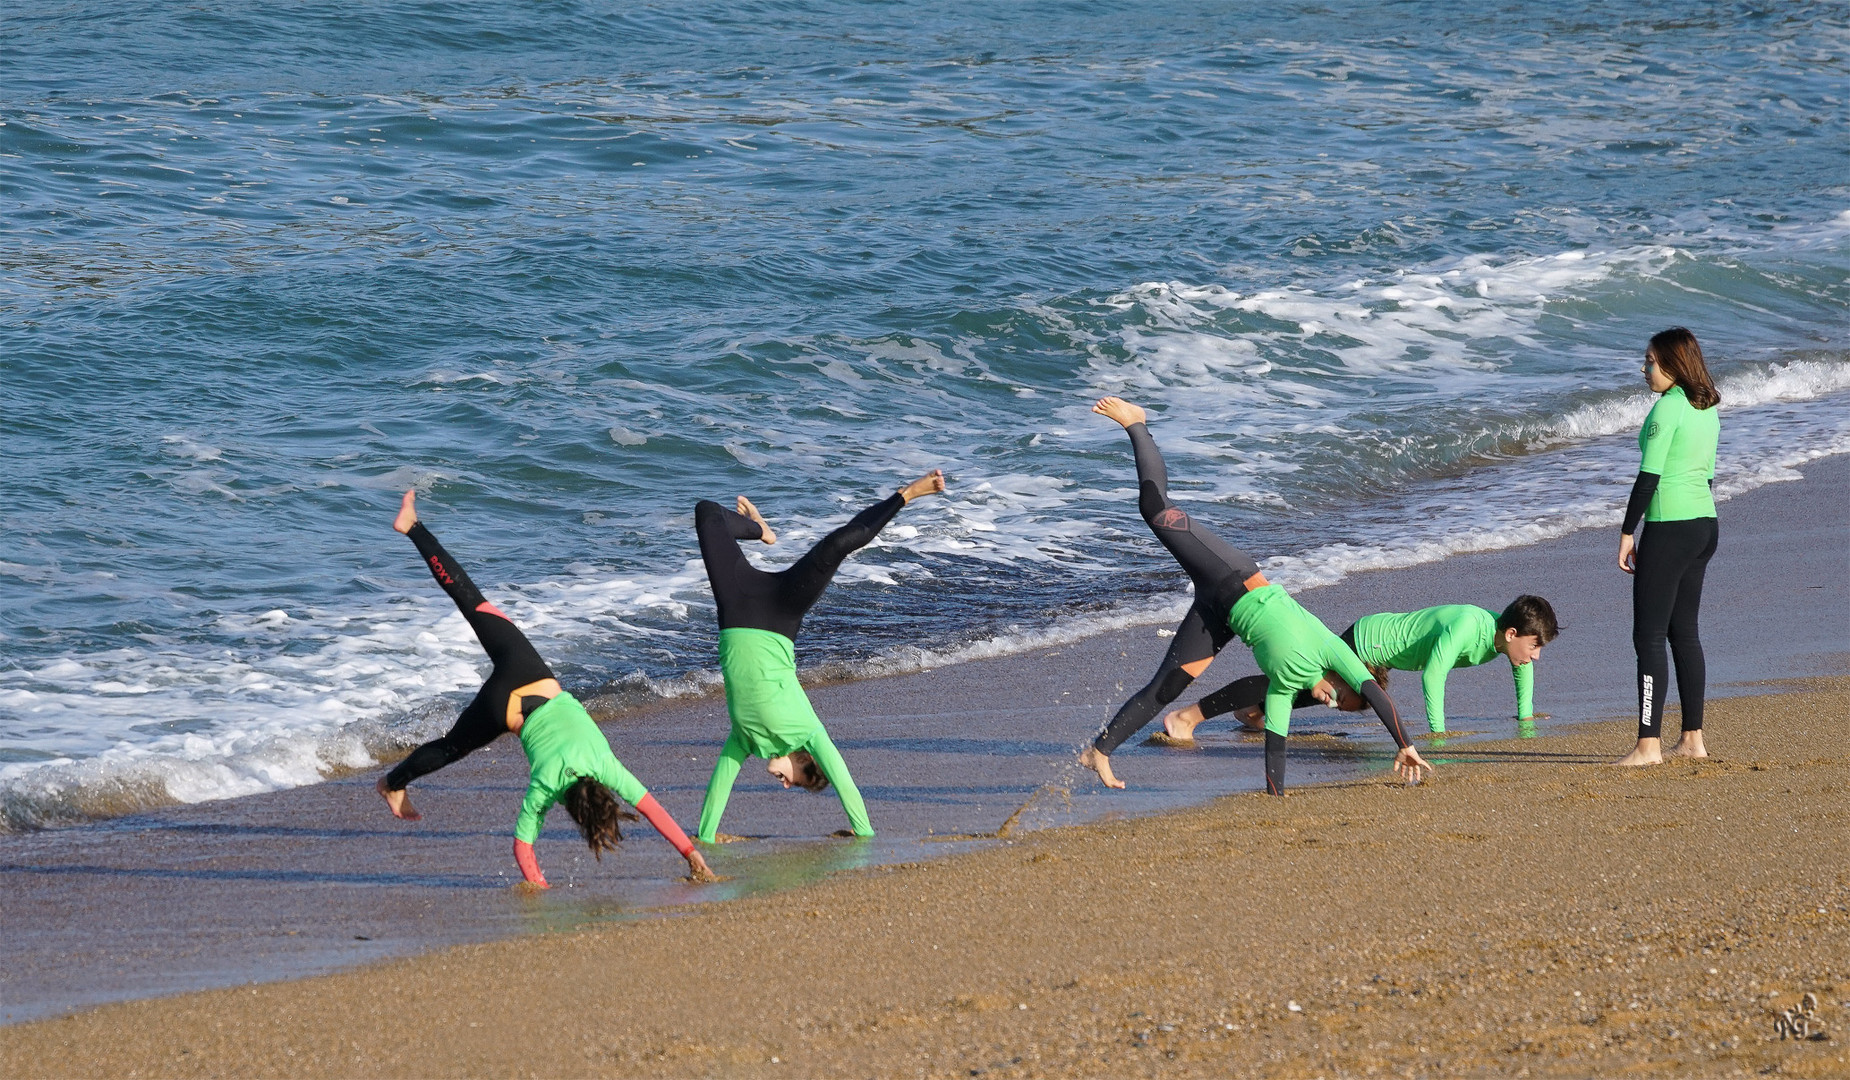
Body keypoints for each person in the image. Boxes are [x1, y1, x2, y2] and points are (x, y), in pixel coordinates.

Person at [1079, 398, 1430, 794]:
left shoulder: (1282, 686)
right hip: (1231, 575)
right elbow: (1377, 698)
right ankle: (1137, 423)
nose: (1330, 700)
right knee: (1156, 509)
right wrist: (1405, 745)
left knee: (1165, 689)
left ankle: (1100, 750)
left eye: (1334, 705)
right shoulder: (1335, 651)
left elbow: (1274, 747)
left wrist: (1275, 797)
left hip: (1218, 614)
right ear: (1344, 676)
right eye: (1340, 695)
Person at [375, 490, 712, 887]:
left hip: (529, 671)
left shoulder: (607, 766)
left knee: (471, 600)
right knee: (451, 747)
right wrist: (539, 888)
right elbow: (522, 847)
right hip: (507, 711)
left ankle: (412, 526)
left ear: (604, 791)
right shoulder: (548, 786)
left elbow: (655, 810)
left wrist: (695, 856)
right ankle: (391, 783)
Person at [693, 470, 946, 842]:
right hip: (781, 612)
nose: (784, 785)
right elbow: (845, 784)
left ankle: (761, 530)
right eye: (799, 782)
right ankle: (906, 495)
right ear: (805, 760)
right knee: (838, 545)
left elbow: (717, 791)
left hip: (735, 608)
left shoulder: (743, 739)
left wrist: (704, 840)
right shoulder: (810, 734)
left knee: (706, 513)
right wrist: (863, 833)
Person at [1164, 597, 1559, 738]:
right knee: (1303, 682)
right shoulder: (1468, 624)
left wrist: (1524, 718)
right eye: (1534, 645)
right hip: (1368, 639)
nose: (1535, 656)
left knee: (1327, 693)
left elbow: (1522, 669)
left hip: (1383, 654)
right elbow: (1433, 675)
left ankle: (1256, 711)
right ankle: (1191, 716)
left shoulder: (1507, 645)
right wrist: (1438, 734)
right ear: (1511, 633)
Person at [1615, 328, 1720, 766]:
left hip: (1670, 527)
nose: (1645, 369)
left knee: (1649, 636)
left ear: (1673, 366)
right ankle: (1693, 739)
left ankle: (1648, 745)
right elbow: (1708, 476)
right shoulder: (1706, 409)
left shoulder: (1667, 409)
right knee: (1684, 634)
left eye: (1651, 362)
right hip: (1704, 525)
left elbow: (1649, 477)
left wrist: (1627, 533)